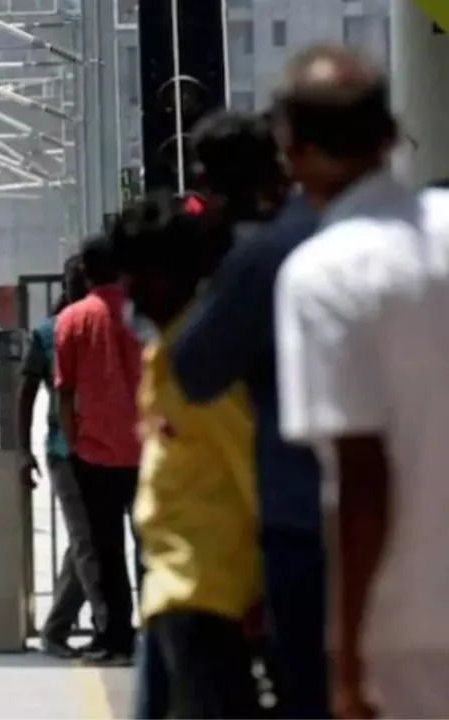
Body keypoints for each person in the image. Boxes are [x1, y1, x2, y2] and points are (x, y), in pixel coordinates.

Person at [273, 44, 449, 720]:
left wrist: (344, 661)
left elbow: (361, 472)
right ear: (388, 135)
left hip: (413, 625)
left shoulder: (323, 276)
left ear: (292, 150)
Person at [170, 112, 330, 718]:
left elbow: (194, 368)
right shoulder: (369, 232)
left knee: (305, 686)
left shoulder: (260, 258)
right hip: (402, 506)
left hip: (296, 514)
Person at [113, 192, 261, 718]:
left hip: (210, 593)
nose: (128, 291)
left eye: (138, 275)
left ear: (171, 274)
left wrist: (263, 592)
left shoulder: (201, 362)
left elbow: (250, 467)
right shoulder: (169, 350)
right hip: (174, 587)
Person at [53, 234, 142, 665]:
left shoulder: (71, 320)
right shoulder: (142, 313)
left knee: (106, 553)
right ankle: (159, 636)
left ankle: (116, 639)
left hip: (95, 455)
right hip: (149, 452)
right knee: (152, 547)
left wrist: (73, 441)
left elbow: (65, 393)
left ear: (85, 273)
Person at [20, 255, 94, 659]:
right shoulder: (49, 334)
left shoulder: (90, 326)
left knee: (87, 542)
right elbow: (25, 393)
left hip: (93, 448)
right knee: (88, 542)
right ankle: (93, 626)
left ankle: (59, 626)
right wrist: (22, 450)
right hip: (65, 452)